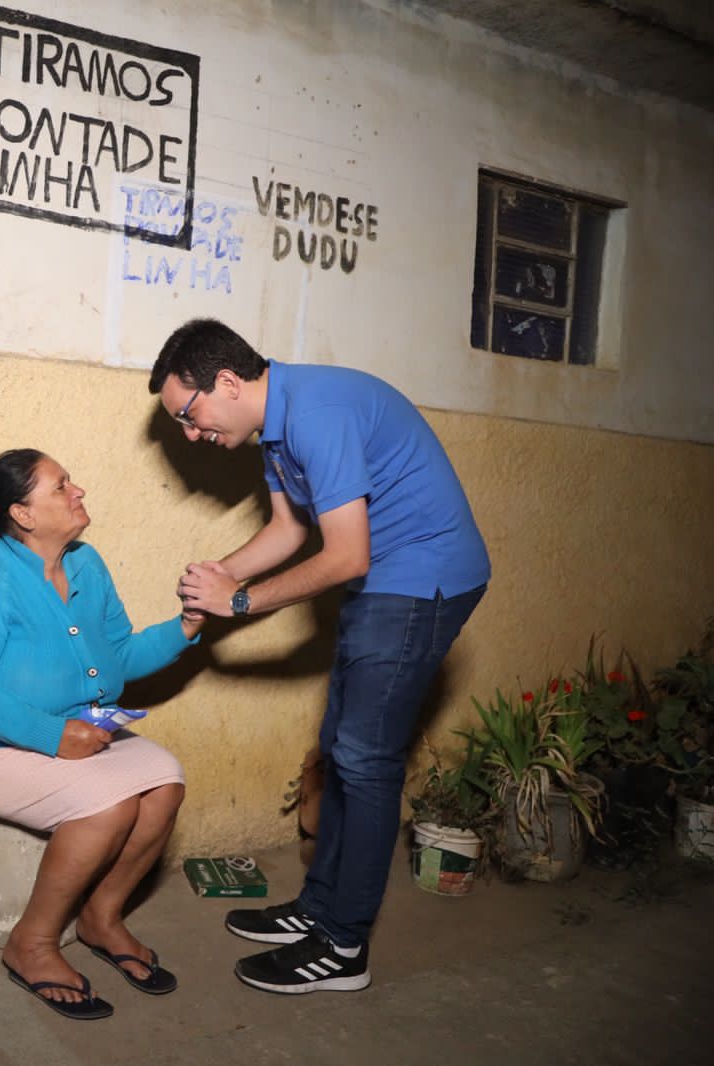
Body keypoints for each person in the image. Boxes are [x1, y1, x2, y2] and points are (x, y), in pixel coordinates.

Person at [150, 318, 490, 994]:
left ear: (226, 382)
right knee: (341, 748)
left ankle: (343, 946)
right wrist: (218, 577)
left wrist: (240, 604)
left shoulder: (317, 415)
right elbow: (289, 528)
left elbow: (345, 555)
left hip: (423, 578)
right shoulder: (276, 425)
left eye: (189, 415)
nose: (191, 434)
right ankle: (318, 909)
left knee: (366, 761)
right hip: (385, 578)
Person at [0, 449, 205, 1021]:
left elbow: (120, 657)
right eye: (60, 487)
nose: (77, 491)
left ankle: (102, 917)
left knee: (165, 784)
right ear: (23, 514)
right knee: (108, 809)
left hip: (81, 734)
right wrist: (52, 733)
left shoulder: (86, 565)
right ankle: (30, 944)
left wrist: (186, 625)